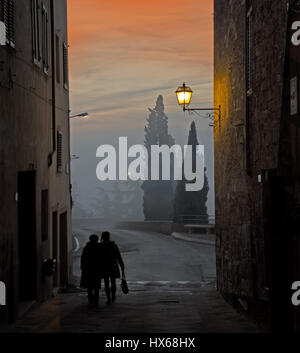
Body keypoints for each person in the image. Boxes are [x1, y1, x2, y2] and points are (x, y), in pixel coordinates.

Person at [100, 231, 125, 304]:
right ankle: (113, 296)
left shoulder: (100, 246)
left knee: (106, 283)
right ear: (109, 237)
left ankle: (108, 298)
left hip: (104, 266)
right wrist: (122, 265)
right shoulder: (113, 245)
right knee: (113, 282)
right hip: (113, 265)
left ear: (102, 237)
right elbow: (118, 256)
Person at [80, 234, 101, 307]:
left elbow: (83, 259)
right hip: (97, 269)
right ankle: (96, 301)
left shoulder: (86, 248)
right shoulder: (99, 247)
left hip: (88, 269)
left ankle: (90, 300)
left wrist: (83, 268)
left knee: (90, 286)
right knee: (96, 286)